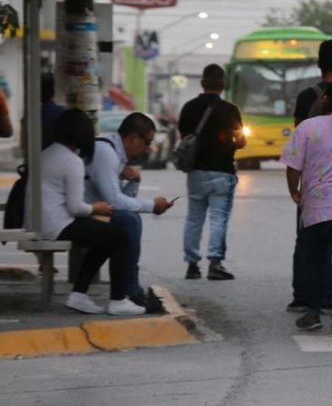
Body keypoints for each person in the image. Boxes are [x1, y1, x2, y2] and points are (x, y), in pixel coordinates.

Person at [30, 108, 144, 315]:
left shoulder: (48, 152)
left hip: (39, 221)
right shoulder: (71, 160)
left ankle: (79, 294)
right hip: (55, 224)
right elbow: (76, 208)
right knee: (120, 237)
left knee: (106, 238)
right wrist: (96, 208)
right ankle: (118, 300)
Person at [281, 80, 332, 333]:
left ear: (324, 100)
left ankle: (313, 313)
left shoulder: (307, 127)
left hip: (314, 208)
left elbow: (293, 166)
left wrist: (295, 191)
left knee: (313, 262)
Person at [84, 112, 174, 308]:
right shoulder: (107, 154)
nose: (148, 149)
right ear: (134, 138)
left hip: (93, 209)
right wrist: (152, 206)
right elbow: (115, 201)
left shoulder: (116, 152)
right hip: (80, 211)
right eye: (147, 142)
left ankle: (129, 290)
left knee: (129, 219)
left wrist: (134, 181)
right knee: (128, 221)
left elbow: (123, 200)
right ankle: (126, 293)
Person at [287, 38, 332, 313]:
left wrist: (295, 188)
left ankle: (302, 296)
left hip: (311, 185)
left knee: (306, 242)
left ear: (319, 64)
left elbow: (299, 141)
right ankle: (331, 298)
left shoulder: (305, 97)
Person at [178, 64, 246, 281]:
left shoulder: (188, 108)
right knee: (219, 218)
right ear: (223, 84)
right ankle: (215, 263)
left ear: (202, 83)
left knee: (194, 219)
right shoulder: (230, 110)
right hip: (222, 172)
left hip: (196, 171)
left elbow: (184, 137)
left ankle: (192, 265)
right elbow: (240, 141)